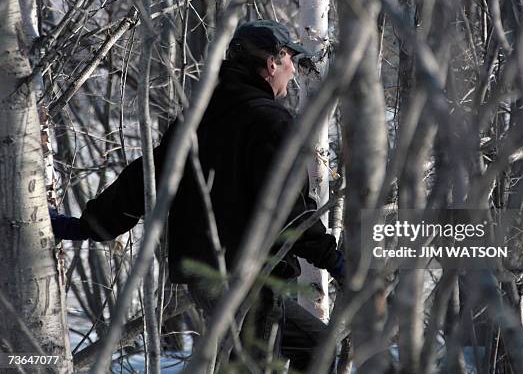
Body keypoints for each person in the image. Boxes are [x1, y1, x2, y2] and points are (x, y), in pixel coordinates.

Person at [50, 19, 345, 371]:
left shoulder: (198, 117)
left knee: (317, 347)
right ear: (272, 63)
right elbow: (289, 210)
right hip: (249, 279)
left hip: (207, 277)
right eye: (290, 60)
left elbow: (149, 176)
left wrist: (91, 226)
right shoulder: (270, 121)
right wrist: (336, 262)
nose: (293, 71)